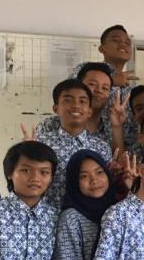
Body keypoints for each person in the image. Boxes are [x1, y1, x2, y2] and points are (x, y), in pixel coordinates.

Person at [37, 79, 113, 209]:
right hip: (48, 216)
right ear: (56, 109)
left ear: (89, 111)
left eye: (82, 101)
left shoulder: (101, 147)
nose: (76, 105)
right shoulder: (41, 143)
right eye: (68, 100)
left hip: (89, 216)